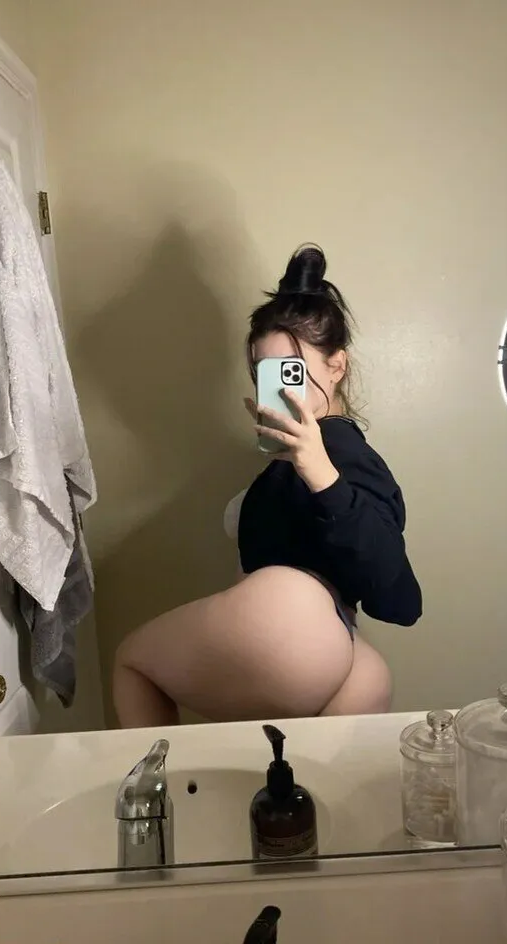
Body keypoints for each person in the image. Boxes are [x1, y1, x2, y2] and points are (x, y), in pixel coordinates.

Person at [113, 245, 422, 728]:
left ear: (337, 366)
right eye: (266, 372)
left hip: (289, 629)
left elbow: (401, 597)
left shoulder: (337, 454)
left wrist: (320, 473)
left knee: (132, 661)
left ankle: (158, 784)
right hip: (343, 653)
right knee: (296, 775)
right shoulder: (298, 458)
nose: (278, 387)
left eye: (291, 369)